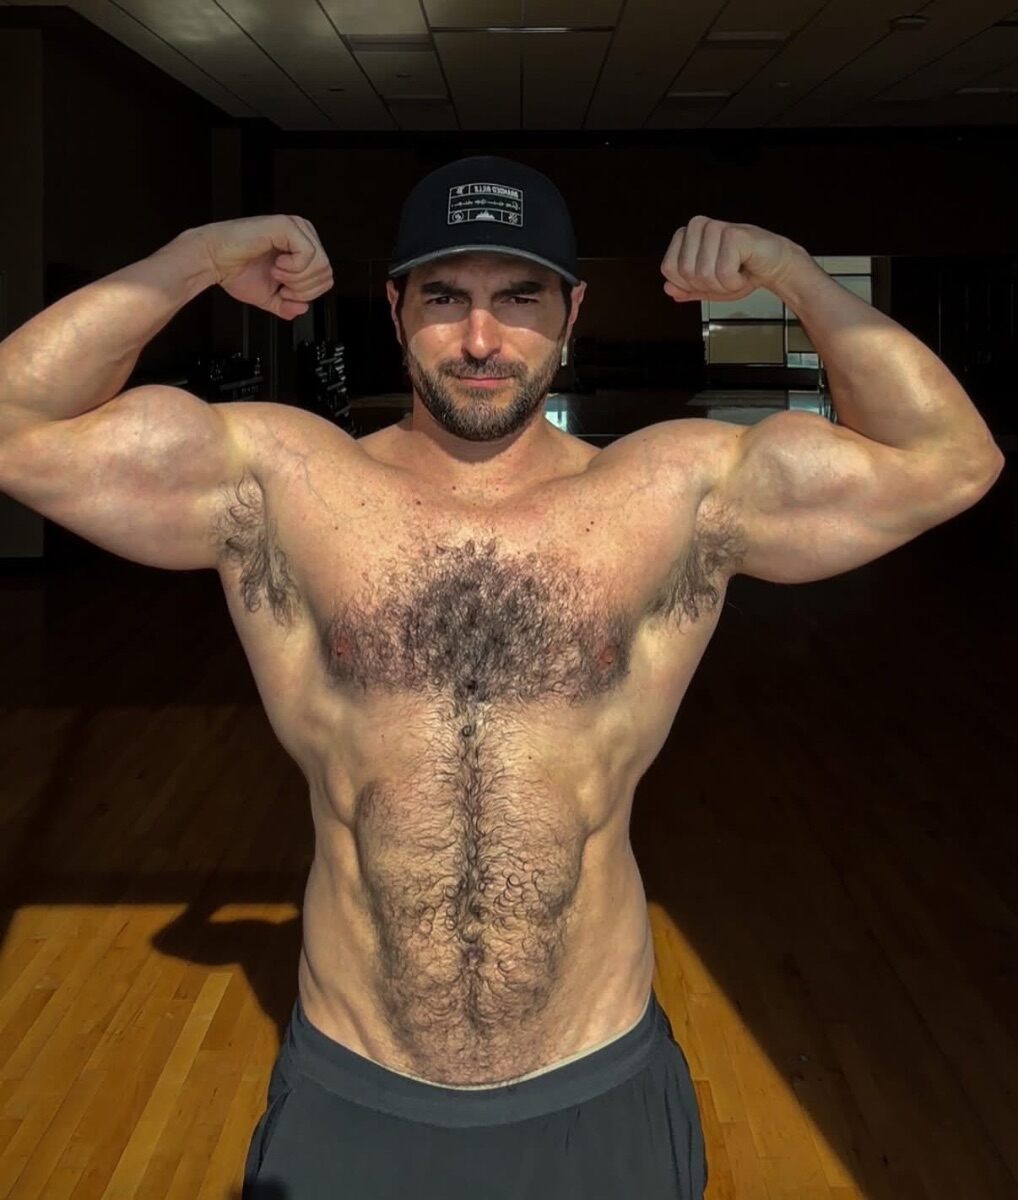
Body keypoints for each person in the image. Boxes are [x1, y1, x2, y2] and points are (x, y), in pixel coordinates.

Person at [0, 155, 1002, 1199]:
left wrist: (793, 273)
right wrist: (196, 258)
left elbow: (947, 460)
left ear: (572, 313)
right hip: (354, 1094)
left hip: (596, 1092)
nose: (481, 340)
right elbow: (14, 426)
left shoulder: (673, 494)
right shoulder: (284, 482)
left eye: (519, 299)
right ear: (395, 309)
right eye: (446, 298)